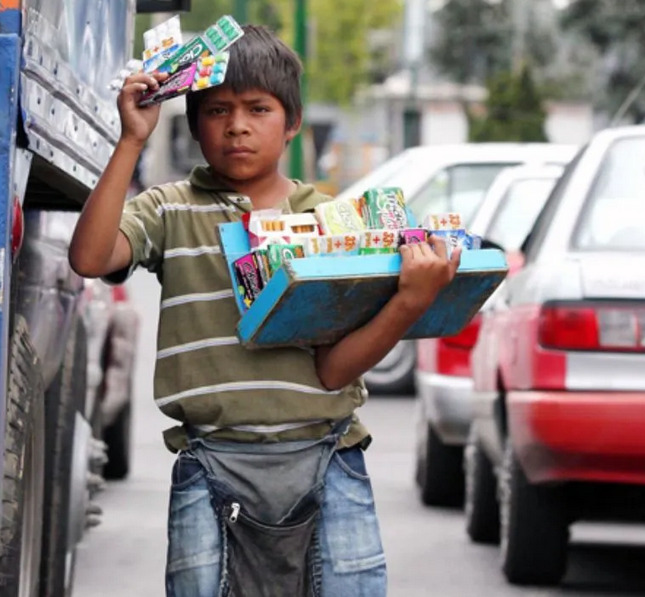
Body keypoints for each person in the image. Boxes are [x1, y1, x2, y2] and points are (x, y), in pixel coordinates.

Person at [69, 24, 460, 597]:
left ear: (292, 121)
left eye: (259, 108)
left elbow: (333, 369)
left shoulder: (330, 222)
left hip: (329, 458)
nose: (238, 126)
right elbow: (90, 257)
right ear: (195, 123)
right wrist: (131, 141)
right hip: (211, 464)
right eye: (218, 111)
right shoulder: (170, 210)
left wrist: (410, 300)